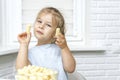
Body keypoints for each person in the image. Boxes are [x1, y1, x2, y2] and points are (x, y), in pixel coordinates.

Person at [16, 7, 76, 80]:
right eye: (39, 21)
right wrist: (23, 45)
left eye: (48, 25)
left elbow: (71, 68)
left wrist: (64, 47)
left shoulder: (60, 50)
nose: (41, 26)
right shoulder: (29, 53)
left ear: (56, 33)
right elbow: (21, 71)